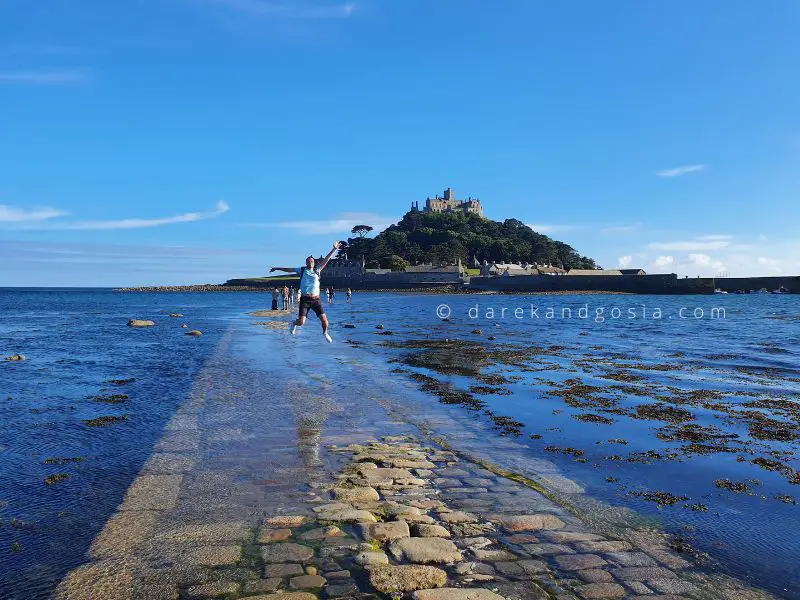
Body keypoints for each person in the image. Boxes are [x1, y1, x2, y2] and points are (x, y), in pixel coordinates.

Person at [270, 242, 341, 342]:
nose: (310, 262)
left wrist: (334, 249)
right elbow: (289, 269)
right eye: (308, 261)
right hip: (305, 300)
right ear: (306, 263)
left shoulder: (318, 270)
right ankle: (294, 323)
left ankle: (325, 333)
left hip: (316, 300)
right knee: (301, 322)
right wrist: (277, 268)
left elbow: (327, 259)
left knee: (324, 320)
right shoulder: (302, 270)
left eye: (312, 261)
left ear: (314, 262)